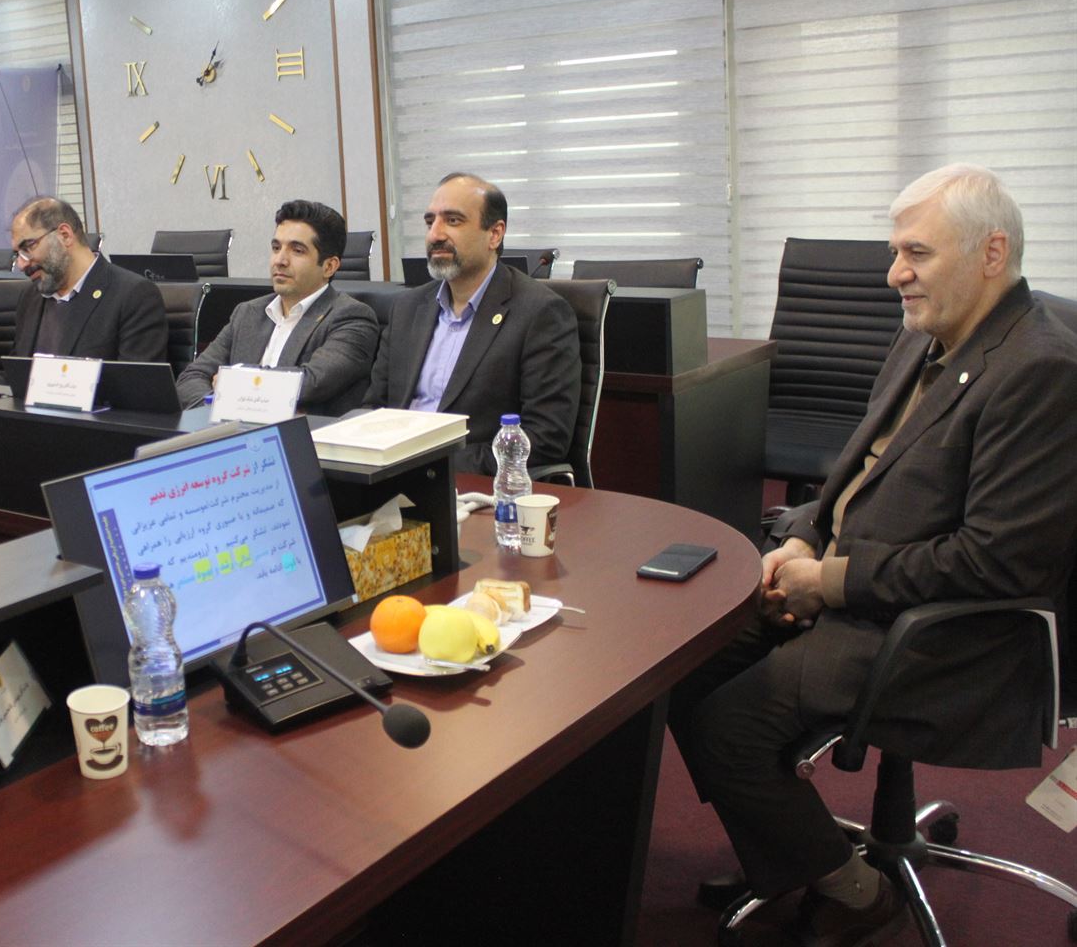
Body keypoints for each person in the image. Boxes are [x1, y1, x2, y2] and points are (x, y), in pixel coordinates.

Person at [668, 164, 1077, 946]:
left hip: (945, 632)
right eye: (896, 253)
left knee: (729, 729)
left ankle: (857, 895)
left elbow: (999, 563)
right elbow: (858, 470)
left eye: (916, 253)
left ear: (992, 253)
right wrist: (803, 537)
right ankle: (795, 854)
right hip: (854, 585)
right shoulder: (922, 334)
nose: (894, 274)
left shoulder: (1041, 370)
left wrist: (830, 582)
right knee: (683, 671)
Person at [362, 172, 580, 474]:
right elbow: (374, 408)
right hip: (391, 476)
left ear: (495, 234)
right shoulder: (407, 308)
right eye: (430, 222)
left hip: (470, 483)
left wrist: (431, 465)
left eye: (453, 221)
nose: (435, 234)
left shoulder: (540, 313)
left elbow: (545, 438)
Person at [176, 200, 379, 415]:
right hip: (231, 430)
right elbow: (191, 378)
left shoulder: (351, 317)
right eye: (276, 248)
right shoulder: (247, 313)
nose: (280, 260)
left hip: (307, 433)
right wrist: (219, 408)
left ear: (329, 266)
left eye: (297, 250)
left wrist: (233, 385)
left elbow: (310, 383)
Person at [9, 197, 167, 363]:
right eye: (17, 254)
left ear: (65, 235)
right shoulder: (30, 298)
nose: (21, 264)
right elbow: (15, 374)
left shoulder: (133, 296)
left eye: (28, 247)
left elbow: (135, 379)